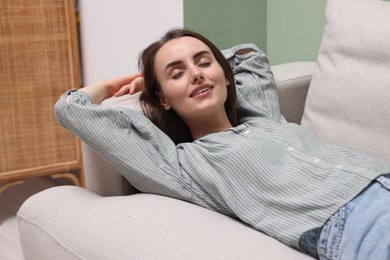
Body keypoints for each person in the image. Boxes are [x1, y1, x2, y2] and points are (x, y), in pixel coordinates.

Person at [55, 28, 390, 260]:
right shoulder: (183, 165)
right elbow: (71, 110)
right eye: (177, 73)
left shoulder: (262, 117)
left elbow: (249, 55)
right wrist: (117, 83)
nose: (197, 74)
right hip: (352, 223)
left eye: (204, 62)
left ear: (225, 76)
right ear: (164, 99)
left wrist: (198, 67)